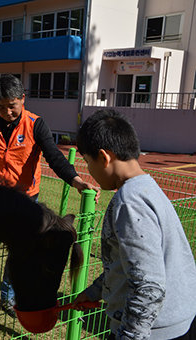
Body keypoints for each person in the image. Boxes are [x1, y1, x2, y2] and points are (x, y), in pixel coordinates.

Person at [0, 74, 99, 330]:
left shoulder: (36, 124)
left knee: (19, 254)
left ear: (23, 99)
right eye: (1, 106)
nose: (7, 112)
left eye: (12, 105)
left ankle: (10, 297)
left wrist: (77, 181)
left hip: (25, 202)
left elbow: (55, 157)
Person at [73, 109, 196, 339]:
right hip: (177, 319)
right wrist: (95, 291)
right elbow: (128, 263)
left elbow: (148, 286)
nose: (89, 170)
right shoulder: (147, 188)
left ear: (104, 157)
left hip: (155, 331)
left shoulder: (130, 203)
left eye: (88, 162)